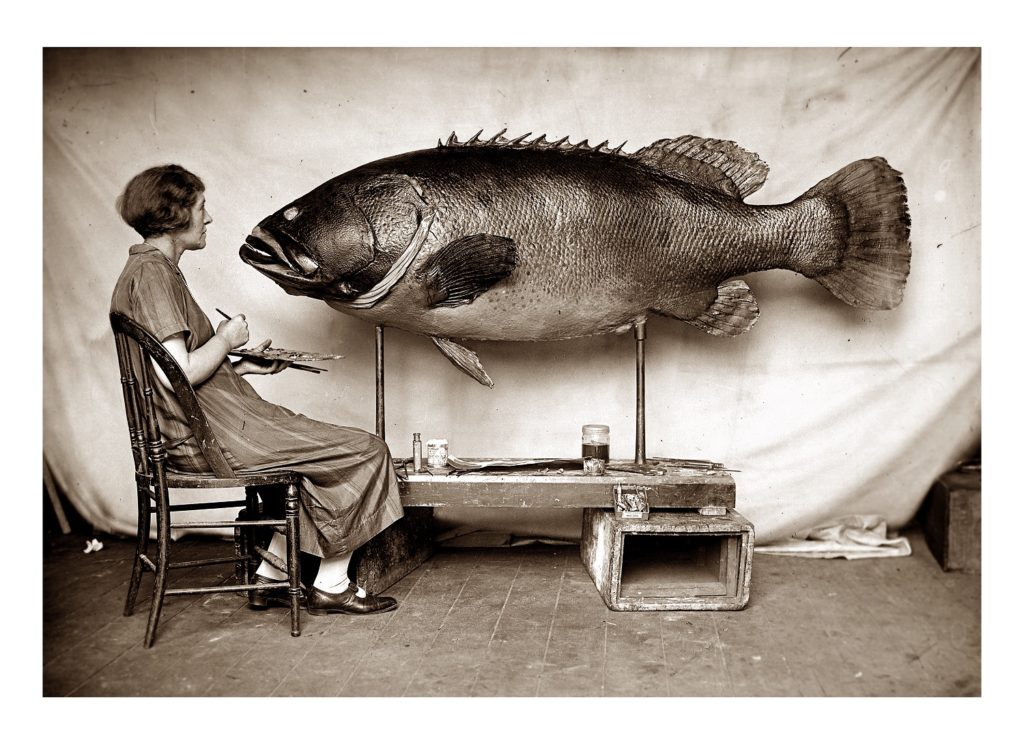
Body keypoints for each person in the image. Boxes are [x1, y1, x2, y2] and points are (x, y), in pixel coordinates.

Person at [110, 164, 404, 615]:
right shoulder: (153, 275)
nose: (207, 218)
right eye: (201, 207)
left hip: (207, 427)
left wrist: (242, 366)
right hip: (210, 441)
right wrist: (226, 339)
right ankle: (331, 584)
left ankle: (271, 575)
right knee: (365, 450)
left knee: (313, 457)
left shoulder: (144, 270)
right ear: (175, 214)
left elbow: (170, 374)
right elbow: (181, 373)